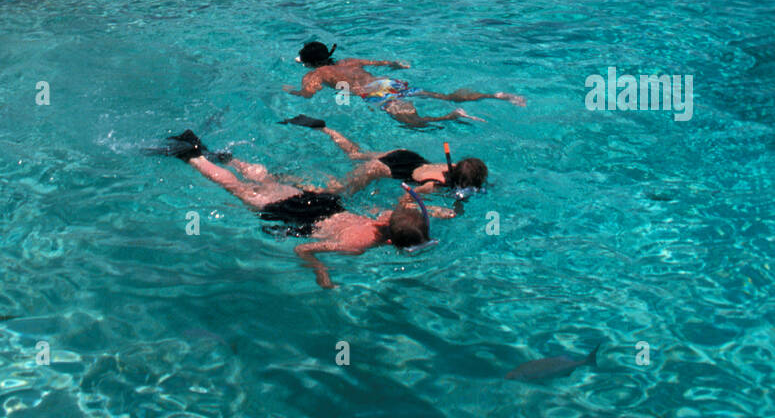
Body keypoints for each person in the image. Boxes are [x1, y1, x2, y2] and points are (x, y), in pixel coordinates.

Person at [151, 130, 455, 289]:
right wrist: (321, 271)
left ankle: (224, 156)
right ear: (389, 242)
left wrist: (435, 212)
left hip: (324, 203)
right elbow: (304, 249)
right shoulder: (357, 245)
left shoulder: (387, 216)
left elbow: (405, 205)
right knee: (239, 190)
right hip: (297, 215)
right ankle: (193, 157)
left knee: (266, 180)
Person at [282, 40, 525, 126]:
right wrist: (399, 65)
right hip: (390, 83)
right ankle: (496, 95)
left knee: (414, 123)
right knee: (443, 95)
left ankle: (452, 117)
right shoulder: (349, 60)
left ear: (308, 63)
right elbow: (383, 62)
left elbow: (308, 95)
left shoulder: (315, 74)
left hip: (376, 95)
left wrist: (290, 91)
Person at [281, 118, 488, 196]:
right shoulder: (434, 185)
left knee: (354, 154)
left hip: (405, 155)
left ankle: (326, 129)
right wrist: (434, 210)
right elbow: (409, 198)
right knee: (336, 191)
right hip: (386, 168)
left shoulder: (448, 167)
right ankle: (285, 179)